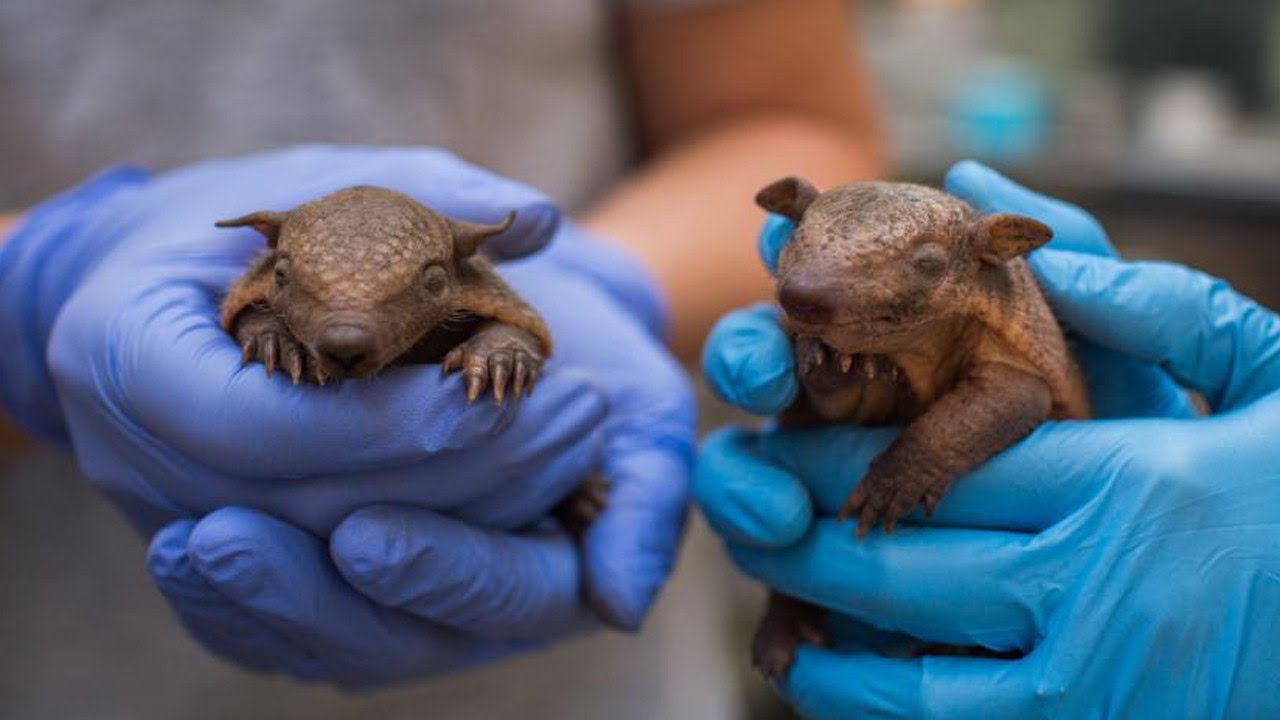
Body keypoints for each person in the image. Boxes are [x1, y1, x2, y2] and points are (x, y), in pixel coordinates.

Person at [0, 0, 882, 717]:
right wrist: (30, 300)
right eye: (297, 297)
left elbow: (783, 117)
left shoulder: (474, 293)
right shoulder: (263, 296)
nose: (347, 338)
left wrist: (620, 284)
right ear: (267, 265)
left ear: (459, 269)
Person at [697, 161, 1280, 719]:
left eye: (923, 263)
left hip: (1039, 534)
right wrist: (824, 372)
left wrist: (914, 463)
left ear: (994, 249)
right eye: (806, 244)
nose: (807, 286)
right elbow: (825, 403)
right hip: (854, 517)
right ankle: (796, 608)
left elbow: (1018, 394)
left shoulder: (983, 320)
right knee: (810, 524)